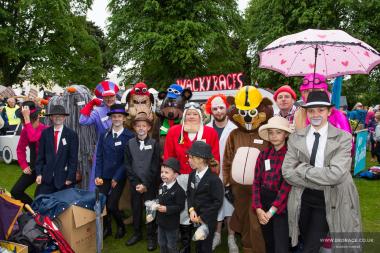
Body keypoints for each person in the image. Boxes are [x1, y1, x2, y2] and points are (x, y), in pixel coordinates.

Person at [282, 91, 362, 252]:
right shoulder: (296, 138)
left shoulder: (343, 138)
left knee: (311, 246)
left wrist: (302, 169)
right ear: (306, 112)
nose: (315, 114)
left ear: (329, 111)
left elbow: (336, 174)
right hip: (302, 197)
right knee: (304, 237)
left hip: (330, 197)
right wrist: (318, 175)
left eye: (321, 110)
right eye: (311, 111)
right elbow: (287, 171)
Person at [164, 101, 220, 253]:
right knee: (183, 210)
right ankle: (186, 243)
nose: (191, 117)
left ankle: (201, 241)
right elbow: (169, 155)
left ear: (201, 117)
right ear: (183, 116)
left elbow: (215, 156)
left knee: (201, 208)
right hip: (181, 176)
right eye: (188, 114)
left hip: (203, 178)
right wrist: (170, 176)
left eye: (195, 114)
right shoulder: (174, 131)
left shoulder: (210, 133)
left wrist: (212, 178)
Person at [252, 116, 292, 253]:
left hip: (281, 205)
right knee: (268, 241)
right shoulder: (263, 155)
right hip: (264, 202)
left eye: (278, 132)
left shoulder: (290, 156)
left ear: (286, 134)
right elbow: (256, 182)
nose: (274, 136)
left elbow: (287, 186)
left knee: (281, 244)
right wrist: (258, 208)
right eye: (271, 132)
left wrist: (271, 211)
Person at [204, 94, 238, 252]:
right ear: (211, 110)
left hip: (230, 172)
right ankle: (217, 234)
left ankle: (231, 237)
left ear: (226, 108)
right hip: (211, 173)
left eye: (221, 107)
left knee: (230, 205)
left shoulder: (235, 128)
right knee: (215, 204)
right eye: (215, 108)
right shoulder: (206, 129)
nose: (218, 111)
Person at [95, 104, 134, 239]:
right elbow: (99, 156)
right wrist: (97, 175)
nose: (116, 119)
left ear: (123, 118)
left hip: (119, 176)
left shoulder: (129, 136)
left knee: (111, 204)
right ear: (111, 118)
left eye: (119, 116)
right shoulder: (104, 134)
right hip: (104, 175)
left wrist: (117, 177)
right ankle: (107, 228)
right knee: (102, 203)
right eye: (114, 116)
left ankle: (121, 226)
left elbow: (127, 160)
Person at [125, 112, 160, 251]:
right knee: (136, 208)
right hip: (135, 184)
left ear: (148, 128)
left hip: (149, 184)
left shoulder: (154, 143)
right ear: (134, 127)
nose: (141, 128)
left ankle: (151, 236)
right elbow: (127, 165)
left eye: (143, 126)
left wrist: (145, 184)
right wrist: (136, 183)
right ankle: (137, 233)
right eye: (138, 125)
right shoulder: (129, 144)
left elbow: (155, 165)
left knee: (150, 209)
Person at [79, 80, 119, 191]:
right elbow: (82, 120)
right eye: (106, 97)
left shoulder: (121, 108)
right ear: (102, 97)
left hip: (119, 148)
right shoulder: (98, 111)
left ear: (115, 96)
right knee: (98, 178)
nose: (109, 99)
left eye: (111, 96)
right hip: (102, 149)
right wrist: (91, 104)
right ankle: (97, 202)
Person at [186, 141, 224, 253]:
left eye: (191, 157)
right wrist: (191, 209)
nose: (189, 160)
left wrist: (202, 217)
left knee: (205, 247)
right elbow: (189, 194)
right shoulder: (192, 175)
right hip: (195, 218)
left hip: (207, 220)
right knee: (198, 244)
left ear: (201, 159)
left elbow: (218, 202)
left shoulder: (214, 180)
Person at [35, 105, 79, 195]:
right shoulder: (45, 133)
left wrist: (70, 177)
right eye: (55, 115)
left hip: (64, 179)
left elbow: (73, 159)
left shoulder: (71, 135)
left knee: (62, 206)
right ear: (51, 117)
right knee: (41, 202)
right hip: (47, 178)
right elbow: (40, 156)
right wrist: (39, 173)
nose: (58, 117)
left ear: (64, 117)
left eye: (61, 115)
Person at [11, 101, 46, 205]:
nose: (25, 125)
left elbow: (33, 137)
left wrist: (27, 119)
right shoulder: (25, 130)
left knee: (39, 196)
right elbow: (20, 149)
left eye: (27, 122)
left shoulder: (45, 130)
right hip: (34, 167)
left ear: (37, 119)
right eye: (24, 122)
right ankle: (32, 210)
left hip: (46, 168)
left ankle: (37, 210)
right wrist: (24, 165)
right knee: (16, 191)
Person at [157, 158, 186, 253]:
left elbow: (180, 206)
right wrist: (155, 204)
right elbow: (160, 198)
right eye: (162, 172)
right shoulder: (161, 186)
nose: (163, 174)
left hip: (172, 225)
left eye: (166, 172)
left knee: (171, 245)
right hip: (161, 223)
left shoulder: (179, 191)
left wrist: (167, 209)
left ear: (175, 175)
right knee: (161, 243)